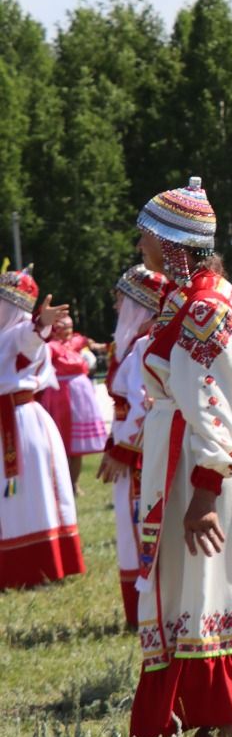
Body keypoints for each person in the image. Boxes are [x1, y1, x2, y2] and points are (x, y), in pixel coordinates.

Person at [128, 177, 232, 737]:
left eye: (148, 236)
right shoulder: (190, 299)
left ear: (173, 242)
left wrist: (204, 491)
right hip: (186, 453)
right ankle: (201, 714)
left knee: (207, 582)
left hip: (202, 461)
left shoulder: (204, 308)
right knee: (190, 584)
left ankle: (224, 718)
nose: (141, 247)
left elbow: (211, 401)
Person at [0, 269, 84, 591]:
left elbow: (33, 339)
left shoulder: (20, 333)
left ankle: (40, 565)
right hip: (9, 422)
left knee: (30, 492)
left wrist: (41, 323)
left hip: (21, 423)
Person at [99, 264, 172, 625]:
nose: (116, 307)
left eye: (120, 300)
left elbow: (147, 402)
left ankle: (151, 606)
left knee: (143, 524)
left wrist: (123, 448)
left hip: (144, 455)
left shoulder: (149, 343)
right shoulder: (134, 343)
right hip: (133, 447)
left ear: (139, 304)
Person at [41, 310, 105, 490]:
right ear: (54, 329)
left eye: (69, 327)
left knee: (76, 444)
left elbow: (87, 341)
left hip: (81, 397)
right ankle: (59, 485)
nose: (68, 331)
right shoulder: (51, 347)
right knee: (60, 442)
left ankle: (74, 484)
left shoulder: (75, 342)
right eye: (63, 328)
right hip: (59, 395)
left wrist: (99, 346)